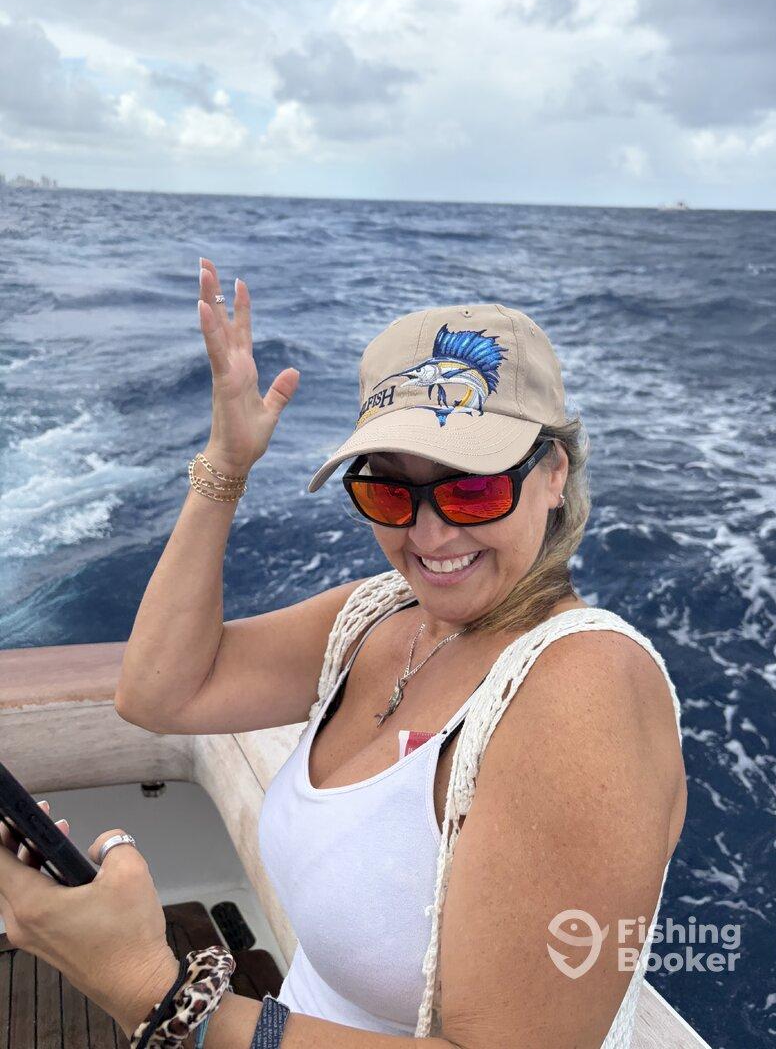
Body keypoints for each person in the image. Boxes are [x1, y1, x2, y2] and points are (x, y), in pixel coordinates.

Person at [0, 257, 687, 1049]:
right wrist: (226, 464)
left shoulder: (584, 689)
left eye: (471, 490)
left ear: (554, 474)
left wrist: (156, 994)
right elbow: (157, 694)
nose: (429, 534)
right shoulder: (382, 615)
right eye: (389, 490)